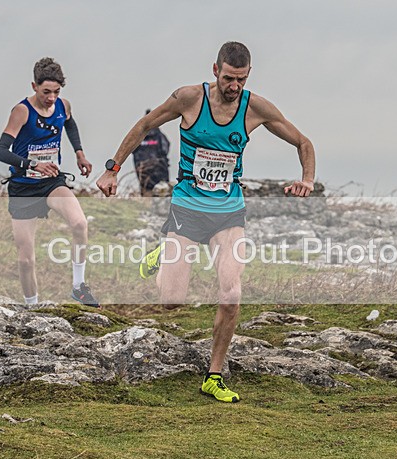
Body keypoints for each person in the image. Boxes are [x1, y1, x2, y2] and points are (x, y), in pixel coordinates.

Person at [97, 41, 315, 402]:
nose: (234, 87)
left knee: (231, 293)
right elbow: (145, 125)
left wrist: (307, 178)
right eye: (229, 78)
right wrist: (113, 169)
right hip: (187, 208)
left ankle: (214, 375)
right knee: (171, 302)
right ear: (215, 71)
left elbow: (303, 141)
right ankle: (163, 252)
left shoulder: (255, 107)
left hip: (229, 211)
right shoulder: (189, 99)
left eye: (241, 80)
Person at [0, 57, 99, 307]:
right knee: (26, 260)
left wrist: (79, 153)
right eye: (46, 92)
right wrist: (33, 164)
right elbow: (0, 151)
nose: (51, 98)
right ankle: (32, 307)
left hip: (52, 182)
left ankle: (78, 286)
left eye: (56, 91)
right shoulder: (21, 111)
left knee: (79, 223)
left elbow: (70, 125)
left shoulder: (63, 105)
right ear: (34, 86)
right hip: (23, 187)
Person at [132, 109, 171, 196]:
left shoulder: (139, 136)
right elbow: (166, 149)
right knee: (163, 203)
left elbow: (132, 150)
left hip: (144, 178)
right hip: (161, 177)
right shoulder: (160, 136)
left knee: (147, 202)